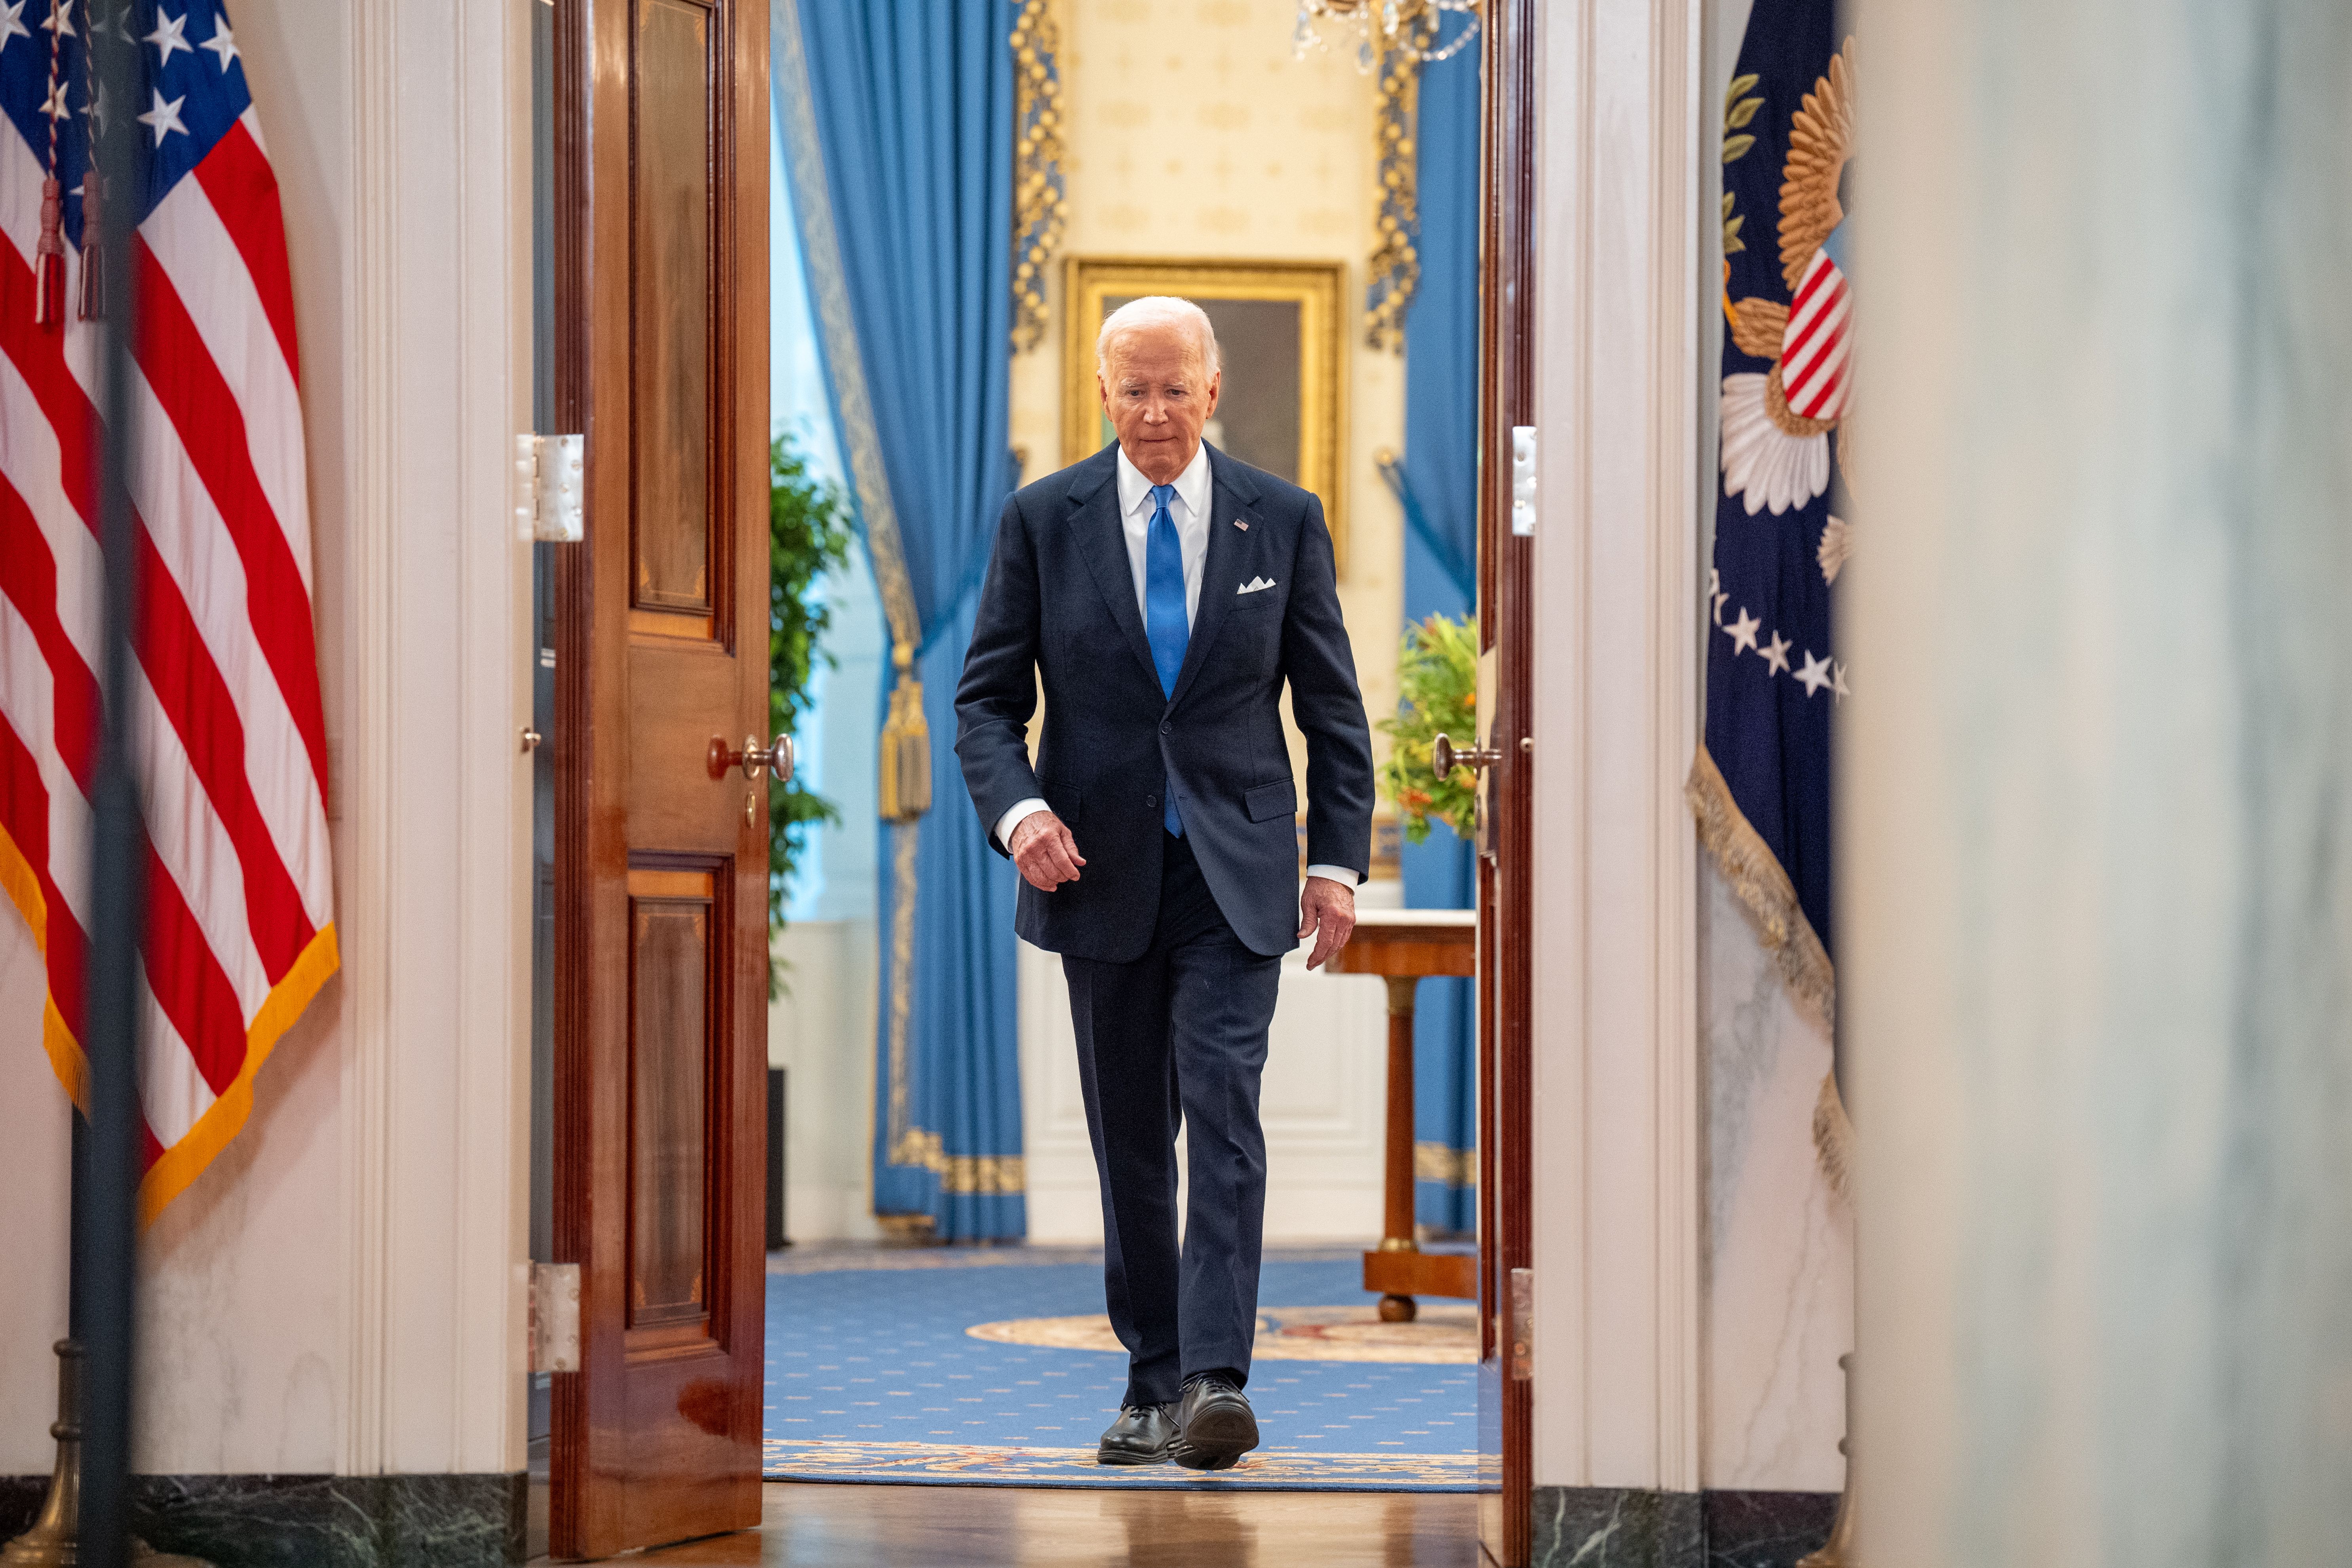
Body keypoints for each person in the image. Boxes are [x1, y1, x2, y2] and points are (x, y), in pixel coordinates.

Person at [955, 296, 1374, 1471]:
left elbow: (1332, 710)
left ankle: (1214, 1379)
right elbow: (986, 702)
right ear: (1102, 393)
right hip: (1101, 869)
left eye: (1173, 388)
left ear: (1212, 388)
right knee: (1132, 1135)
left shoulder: (1281, 520)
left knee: (1224, 1111)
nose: (1153, 411)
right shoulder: (1043, 519)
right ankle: (1147, 1383)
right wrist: (1022, 810)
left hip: (1239, 873)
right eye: (1132, 389)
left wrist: (1336, 862)